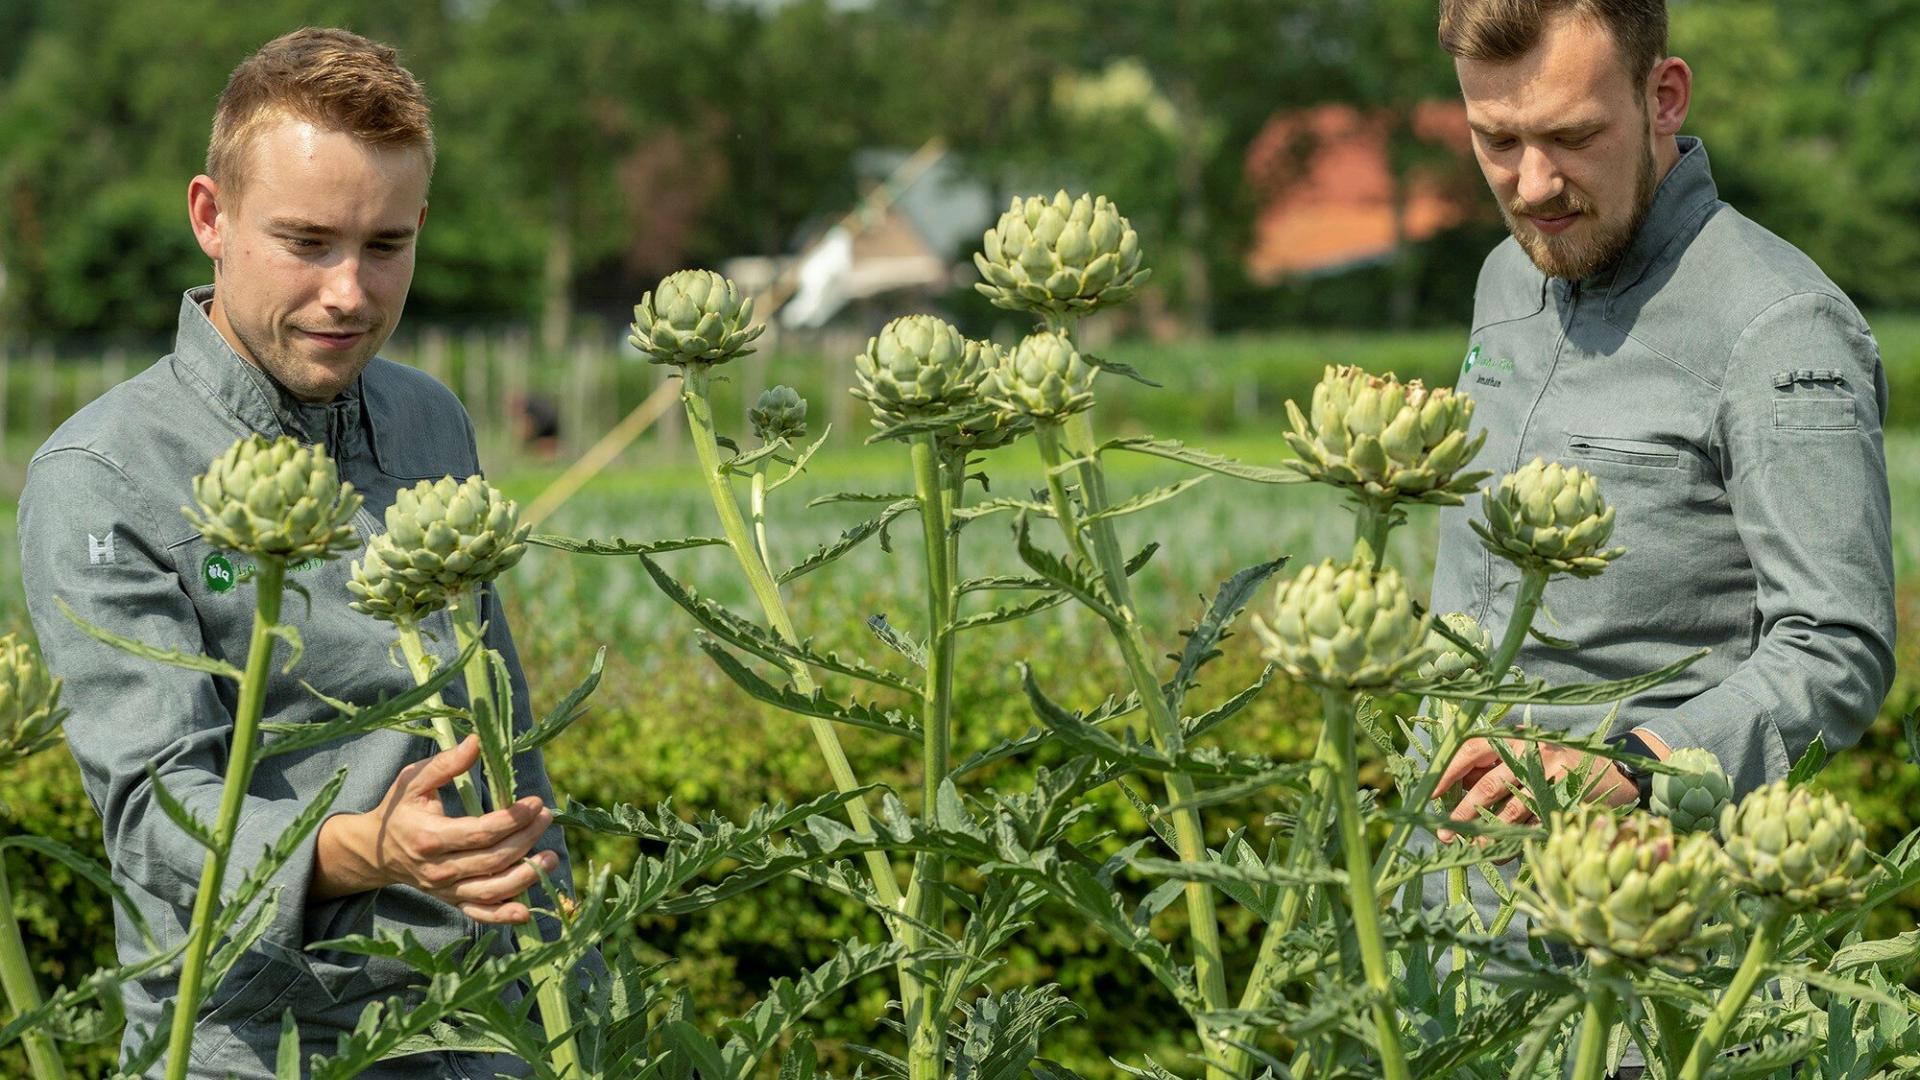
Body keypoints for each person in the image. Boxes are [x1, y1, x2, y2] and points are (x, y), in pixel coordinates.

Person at [17, 29, 580, 1079]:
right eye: (308, 241)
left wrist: (563, 958)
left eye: (385, 245)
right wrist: (368, 850)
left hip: (485, 1024)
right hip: (259, 1042)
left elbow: (501, 713)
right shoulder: (102, 474)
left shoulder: (428, 419)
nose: (350, 294)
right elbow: (154, 807)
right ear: (210, 217)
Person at [1422, 1, 1895, 1072]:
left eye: (1574, 138)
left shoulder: (1781, 328)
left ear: (1662, 96)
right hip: (1441, 933)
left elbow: (1839, 648)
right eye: (1498, 141)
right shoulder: (1510, 276)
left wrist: (1633, 762)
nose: (1533, 186)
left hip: (1641, 972)